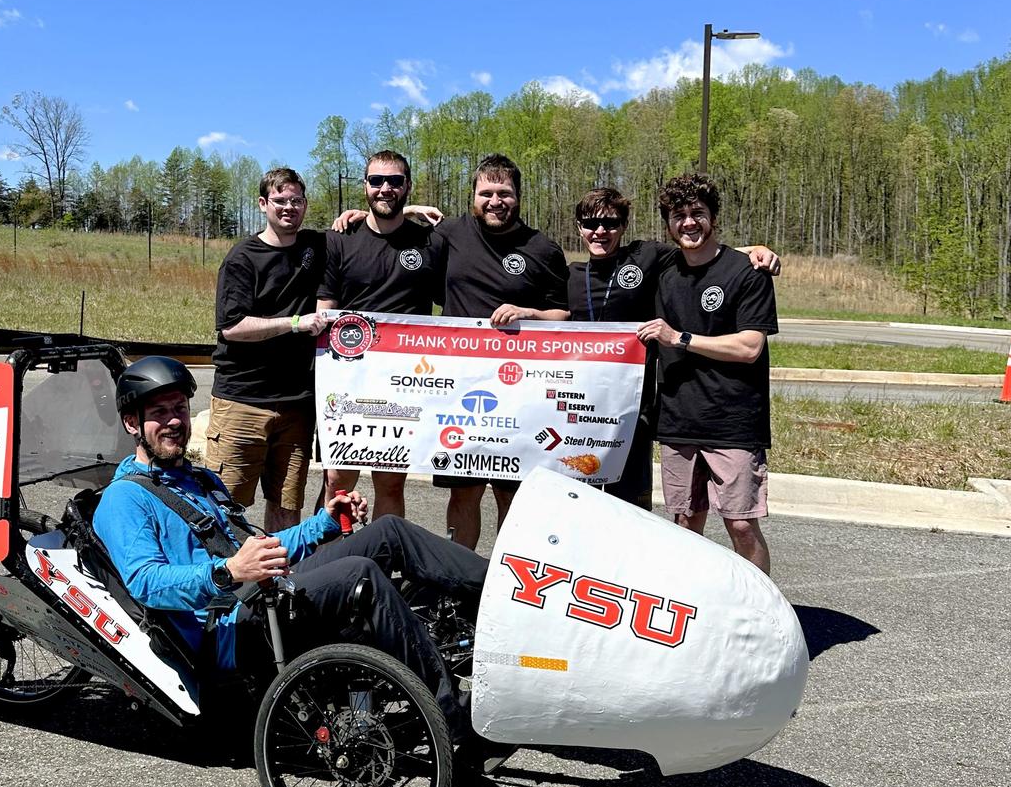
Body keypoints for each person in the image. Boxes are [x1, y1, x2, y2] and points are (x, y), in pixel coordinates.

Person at [94, 356, 487, 731]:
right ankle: (450, 715)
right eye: (159, 413)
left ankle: (504, 600)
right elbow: (147, 584)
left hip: (264, 593)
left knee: (389, 531)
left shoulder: (199, 480)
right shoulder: (124, 499)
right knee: (359, 575)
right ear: (132, 423)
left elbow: (262, 545)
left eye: (179, 408)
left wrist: (324, 524)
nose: (174, 421)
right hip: (229, 631)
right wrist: (228, 571)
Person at [569, 186, 781, 510]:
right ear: (579, 227)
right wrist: (525, 314)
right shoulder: (569, 274)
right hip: (579, 408)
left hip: (633, 410)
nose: (600, 231)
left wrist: (758, 249)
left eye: (610, 223)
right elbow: (554, 316)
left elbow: (701, 249)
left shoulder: (647, 257)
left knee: (629, 508)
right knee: (577, 504)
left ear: (624, 226)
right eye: (590, 223)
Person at [636, 173, 779, 574]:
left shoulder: (746, 272)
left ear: (713, 217)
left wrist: (679, 337)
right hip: (678, 419)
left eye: (698, 213)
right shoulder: (664, 272)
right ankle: (690, 610)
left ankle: (757, 612)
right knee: (685, 522)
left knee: (740, 523)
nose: (688, 222)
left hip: (732, 421)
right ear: (668, 223)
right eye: (678, 215)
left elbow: (750, 347)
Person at [429, 153, 570, 548]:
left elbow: (564, 315)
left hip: (521, 392)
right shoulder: (450, 234)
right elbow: (395, 238)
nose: (495, 200)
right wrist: (360, 215)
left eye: (504, 192)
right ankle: (459, 582)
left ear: (518, 196)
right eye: (486, 192)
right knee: (464, 492)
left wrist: (530, 314)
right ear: (473, 195)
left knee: (513, 493)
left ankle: (503, 584)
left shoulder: (542, 248)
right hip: (462, 390)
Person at [318, 149, 441, 520]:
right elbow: (326, 309)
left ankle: (386, 559)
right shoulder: (340, 238)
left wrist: (415, 211)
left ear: (408, 186)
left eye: (395, 181)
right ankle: (329, 560)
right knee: (337, 480)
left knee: (391, 483)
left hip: (403, 384)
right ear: (364, 186)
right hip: (348, 380)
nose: (384, 188)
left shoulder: (428, 242)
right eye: (376, 181)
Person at [207, 166, 330, 531]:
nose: (288, 208)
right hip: (243, 401)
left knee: (287, 505)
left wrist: (412, 212)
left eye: (296, 200)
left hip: (296, 405)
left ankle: (278, 581)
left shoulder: (315, 247)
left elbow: (365, 229)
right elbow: (232, 327)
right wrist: (295, 323)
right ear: (263, 204)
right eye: (279, 201)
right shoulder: (243, 258)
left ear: (305, 204)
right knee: (223, 505)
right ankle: (223, 580)